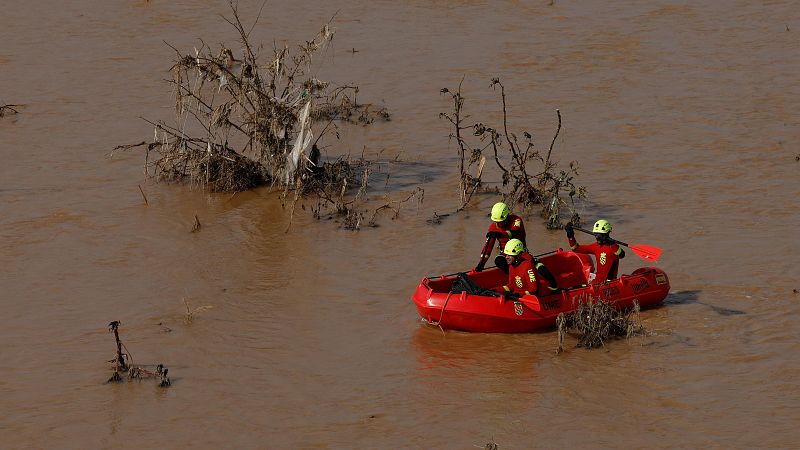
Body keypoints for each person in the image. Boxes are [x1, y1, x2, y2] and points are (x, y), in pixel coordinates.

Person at [565, 219, 625, 284]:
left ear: (607, 233)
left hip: (609, 283)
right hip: (597, 281)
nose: (597, 238)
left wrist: (612, 244)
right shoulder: (595, 246)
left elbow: (622, 255)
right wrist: (570, 236)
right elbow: (575, 248)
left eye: (599, 235)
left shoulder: (613, 247)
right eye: (595, 235)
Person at [474, 202, 526, 273]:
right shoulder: (493, 228)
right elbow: (488, 247)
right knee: (499, 261)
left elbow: (514, 233)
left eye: (500, 222)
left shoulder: (516, 220)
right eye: (496, 221)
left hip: (519, 253)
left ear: (506, 217)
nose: (497, 224)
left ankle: (518, 274)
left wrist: (499, 234)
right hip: (506, 254)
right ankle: (512, 274)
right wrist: (481, 263)